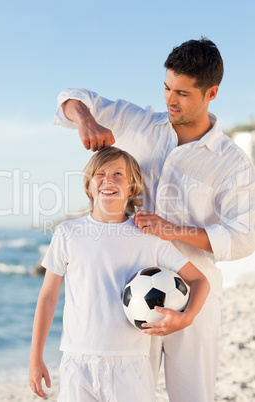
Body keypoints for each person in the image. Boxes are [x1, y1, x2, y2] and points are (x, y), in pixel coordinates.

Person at [53, 37, 255, 401]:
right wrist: (84, 119)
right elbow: (73, 96)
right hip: (131, 292)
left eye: (182, 93)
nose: (170, 100)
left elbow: (244, 236)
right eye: (166, 88)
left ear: (211, 93)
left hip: (196, 293)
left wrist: (173, 231)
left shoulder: (232, 162)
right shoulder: (140, 123)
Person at [29, 146, 210, 401]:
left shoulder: (148, 237)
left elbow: (200, 280)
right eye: (100, 174)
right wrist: (35, 358)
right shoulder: (68, 233)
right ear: (89, 185)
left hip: (131, 363)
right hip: (77, 360)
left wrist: (187, 317)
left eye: (118, 174)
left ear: (132, 187)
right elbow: (47, 297)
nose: (108, 180)